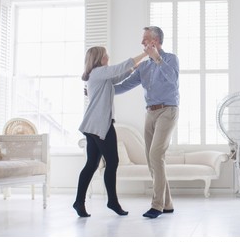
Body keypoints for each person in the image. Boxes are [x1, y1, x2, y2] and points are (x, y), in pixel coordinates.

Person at [73, 46, 147, 217]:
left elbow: (118, 76)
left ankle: (79, 202)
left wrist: (133, 69)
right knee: (112, 162)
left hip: (94, 125)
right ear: (99, 58)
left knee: (91, 165)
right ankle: (112, 201)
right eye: (106, 54)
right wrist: (144, 54)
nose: (108, 56)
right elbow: (118, 69)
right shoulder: (98, 72)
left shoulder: (100, 76)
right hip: (100, 126)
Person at [115, 26, 179, 219]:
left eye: (145, 39)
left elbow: (173, 79)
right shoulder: (143, 66)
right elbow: (124, 86)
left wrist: (158, 58)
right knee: (152, 158)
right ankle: (167, 204)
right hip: (150, 113)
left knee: (155, 154)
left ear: (156, 41)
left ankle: (157, 205)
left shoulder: (170, 59)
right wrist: (101, 89)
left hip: (168, 110)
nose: (142, 43)